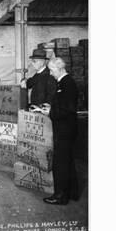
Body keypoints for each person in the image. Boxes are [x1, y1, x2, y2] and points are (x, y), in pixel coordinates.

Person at [35, 57, 79, 205]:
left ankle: (60, 196)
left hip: (65, 129)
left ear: (60, 69)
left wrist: (50, 113)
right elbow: (63, 105)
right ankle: (72, 192)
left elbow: (67, 110)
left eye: (52, 70)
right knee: (67, 161)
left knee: (60, 163)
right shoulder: (64, 83)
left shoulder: (67, 84)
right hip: (66, 128)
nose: (51, 73)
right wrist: (50, 107)